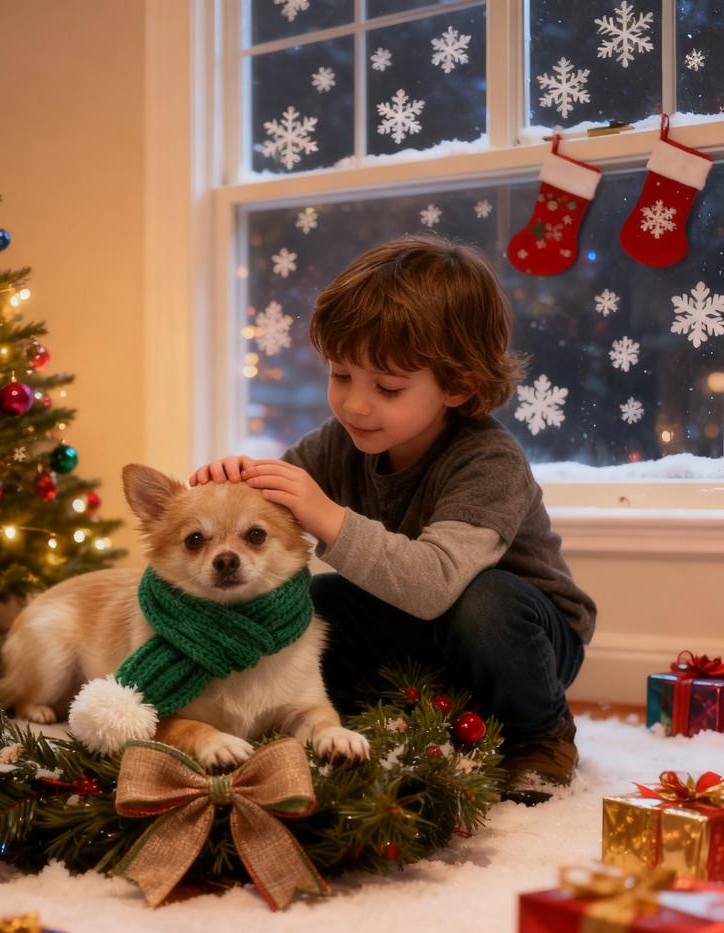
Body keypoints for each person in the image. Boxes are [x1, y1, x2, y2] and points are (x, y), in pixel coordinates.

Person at [190, 235, 596, 804]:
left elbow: (433, 585)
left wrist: (327, 516)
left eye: (386, 387)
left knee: (485, 604)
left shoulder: (488, 461)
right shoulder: (340, 442)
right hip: (413, 627)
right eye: (340, 376)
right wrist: (237, 485)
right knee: (318, 603)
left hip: (520, 637)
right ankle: (386, 717)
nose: (356, 405)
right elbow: (275, 512)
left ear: (459, 385)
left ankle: (540, 735)